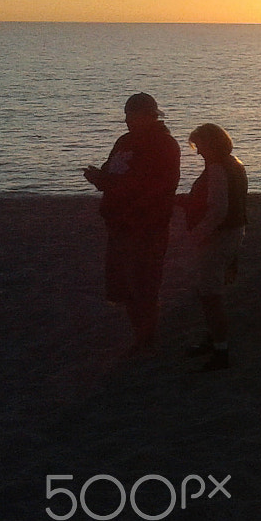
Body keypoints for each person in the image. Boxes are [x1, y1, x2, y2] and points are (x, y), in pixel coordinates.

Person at [82, 93, 181, 355]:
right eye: (126, 115)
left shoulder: (165, 145)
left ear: (148, 116)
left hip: (146, 225)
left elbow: (158, 186)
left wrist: (121, 195)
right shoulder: (124, 141)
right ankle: (141, 333)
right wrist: (99, 178)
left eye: (131, 115)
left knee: (144, 282)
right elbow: (113, 172)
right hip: (119, 223)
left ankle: (147, 336)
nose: (126, 120)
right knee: (124, 284)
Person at [180, 123, 248, 372]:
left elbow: (218, 210)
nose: (198, 152)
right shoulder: (235, 164)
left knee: (210, 294)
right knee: (209, 290)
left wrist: (198, 234)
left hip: (219, 237)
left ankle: (220, 349)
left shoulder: (219, 169)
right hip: (232, 233)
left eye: (200, 146)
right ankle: (214, 338)